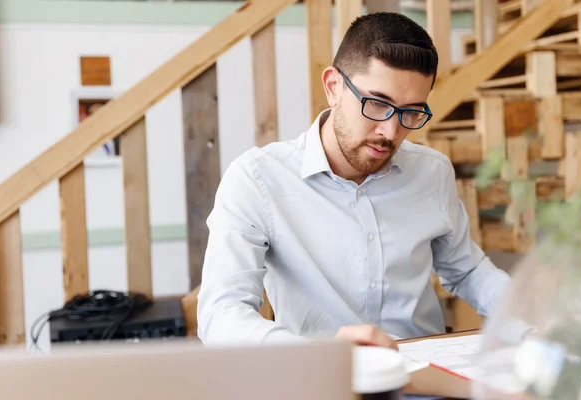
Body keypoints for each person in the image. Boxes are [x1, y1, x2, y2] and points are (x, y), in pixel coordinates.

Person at [196, 12, 511, 350]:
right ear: (333, 87)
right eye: (377, 104)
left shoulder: (432, 172)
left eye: (411, 112)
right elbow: (221, 315)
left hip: (424, 369)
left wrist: (530, 314)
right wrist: (319, 352)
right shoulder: (257, 180)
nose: (391, 132)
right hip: (320, 375)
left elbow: (467, 270)